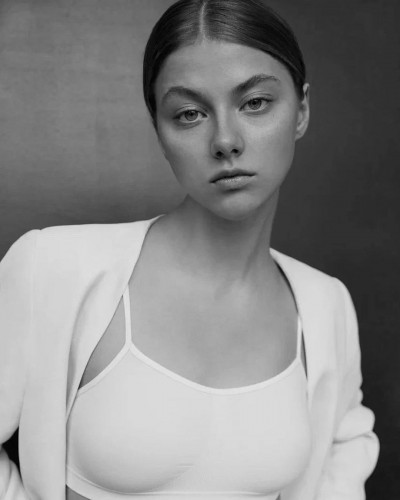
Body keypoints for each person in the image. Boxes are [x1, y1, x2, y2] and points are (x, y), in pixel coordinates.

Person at [0, 0, 379, 499]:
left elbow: (344, 451)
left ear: (301, 111)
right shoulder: (50, 268)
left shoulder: (326, 305)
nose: (226, 140)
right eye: (190, 114)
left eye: (255, 102)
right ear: (159, 131)